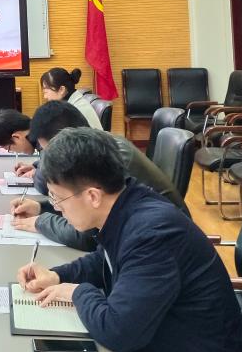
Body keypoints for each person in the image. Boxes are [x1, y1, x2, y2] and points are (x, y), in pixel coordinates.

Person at [16, 128, 242, 352]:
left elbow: (119, 332)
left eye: (57, 199)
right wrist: (57, 276)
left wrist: (77, 292)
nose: (57, 208)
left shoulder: (152, 232)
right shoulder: (127, 205)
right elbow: (106, 259)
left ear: (93, 196)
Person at [10, 101, 185, 250]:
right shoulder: (97, 146)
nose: (48, 158)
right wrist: (41, 207)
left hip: (161, 243)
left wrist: (41, 222)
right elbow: (84, 203)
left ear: (67, 138)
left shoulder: (106, 157)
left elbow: (88, 237)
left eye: (49, 150)